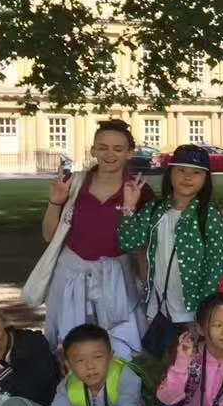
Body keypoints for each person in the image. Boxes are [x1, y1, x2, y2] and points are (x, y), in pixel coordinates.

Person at [33, 118, 155, 361]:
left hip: (118, 280)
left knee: (121, 351)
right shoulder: (75, 185)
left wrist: (145, 284)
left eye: (118, 149)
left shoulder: (140, 191)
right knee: (74, 348)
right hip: (73, 276)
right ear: (93, 150)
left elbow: (143, 247)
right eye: (103, 147)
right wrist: (55, 202)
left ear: (129, 153)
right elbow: (49, 236)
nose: (109, 154)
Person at [118, 144, 223, 358]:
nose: (188, 177)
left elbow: (215, 264)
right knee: (168, 361)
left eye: (196, 172)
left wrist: (206, 309)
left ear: (205, 178)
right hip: (160, 306)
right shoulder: (155, 210)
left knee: (196, 359)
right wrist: (129, 207)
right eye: (181, 170)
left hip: (193, 306)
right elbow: (129, 242)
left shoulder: (209, 214)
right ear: (170, 174)